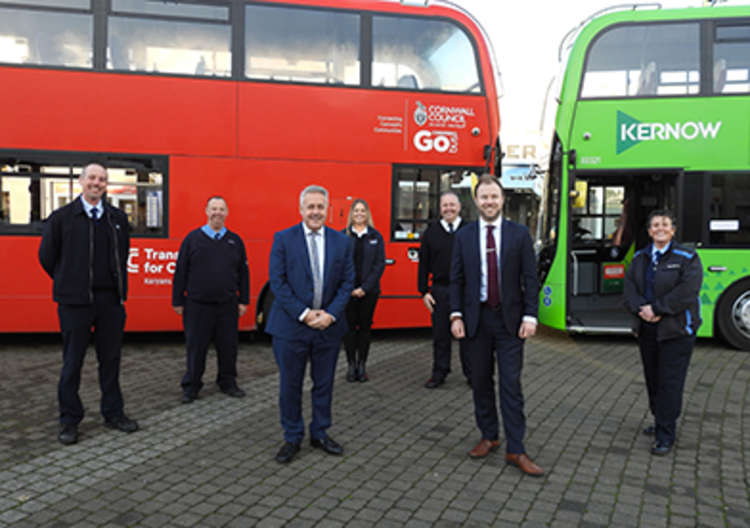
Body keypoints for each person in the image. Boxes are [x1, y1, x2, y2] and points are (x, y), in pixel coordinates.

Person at [449, 175, 543, 476]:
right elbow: (457, 279)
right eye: (484, 197)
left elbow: (530, 278)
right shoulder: (464, 235)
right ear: (476, 201)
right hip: (476, 320)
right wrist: (455, 315)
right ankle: (488, 435)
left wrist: (531, 315)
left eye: (494, 197)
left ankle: (516, 449)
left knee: (510, 384)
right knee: (479, 381)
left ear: (502, 200)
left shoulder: (519, 234)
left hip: (510, 322)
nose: (489, 202)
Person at [38, 163, 138, 445]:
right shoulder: (62, 218)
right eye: (92, 178)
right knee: (72, 363)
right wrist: (68, 282)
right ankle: (69, 420)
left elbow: (123, 255)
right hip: (75, 303)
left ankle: (113, 413)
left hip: (110, 302)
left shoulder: (117, 218)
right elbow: (47, 257)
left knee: (111, 361)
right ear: (81, 181)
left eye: (102, 179)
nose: (97, 183)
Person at [266, 185, 354, 464]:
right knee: (290, 385)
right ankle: (292, 436)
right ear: (301, 209)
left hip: (328, 327)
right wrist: (304, 314)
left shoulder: (342, 242)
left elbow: (347, 282)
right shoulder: (283, 239)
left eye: (320, 206)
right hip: (291, 328)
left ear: (327, 209)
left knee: (324, 384)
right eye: (310, 206)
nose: (315, 212)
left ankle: (320, 432)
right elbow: (277, 283)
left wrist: (330, 314)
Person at [624, 209, 702, 456]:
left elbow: (687, 292)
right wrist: (641, 310)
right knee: (653, 378)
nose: (660, 228)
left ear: (673, 230)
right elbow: (630, 287)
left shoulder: (687, 257)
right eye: (655, 225)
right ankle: (660, 419)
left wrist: (657, 309)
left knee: (670, 382)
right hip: (647, 328)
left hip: (676, 330)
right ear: (649, 231)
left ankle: (665, 434)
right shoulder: (639, 257)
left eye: (665, 224)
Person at [172, 196, 250, 404]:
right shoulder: (192, 239)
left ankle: (228, 382)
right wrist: (177, 300)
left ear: (227, 213)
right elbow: (180, 271)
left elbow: (243, 272)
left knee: (228, 347)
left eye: (221, 209)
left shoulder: (235, 241)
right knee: (196, 348)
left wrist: (244, 300)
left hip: (227, 305)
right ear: (206, 211)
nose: (217, 212)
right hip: (197, 305)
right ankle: (191, 386)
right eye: (213, 208)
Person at [418, 191, 471, 388]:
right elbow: (423, 264)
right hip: (440, 290)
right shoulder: (431, 232)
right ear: (440, 209)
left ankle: (472, 374)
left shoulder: (469, 230)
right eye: (445, 205)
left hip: (466, 291)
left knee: (467, 335)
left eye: (452, 205)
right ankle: (439, 372)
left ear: (459, 207)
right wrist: (423, 291)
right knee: (440, 335)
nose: (448, 208)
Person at [342, 199, 385, 383]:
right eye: (356, 210)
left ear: (367, 214)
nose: (359, 214)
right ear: (351, 214)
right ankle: (351, 365)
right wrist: (350, 288)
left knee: (365, 329)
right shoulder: (342, 236)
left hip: (369, 292)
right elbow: (339, 265)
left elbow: (379, 265)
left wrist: (364, 288)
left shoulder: (376, 236)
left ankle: (362, 365)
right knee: (349, 330)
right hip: (348, 292)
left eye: (363, 211)